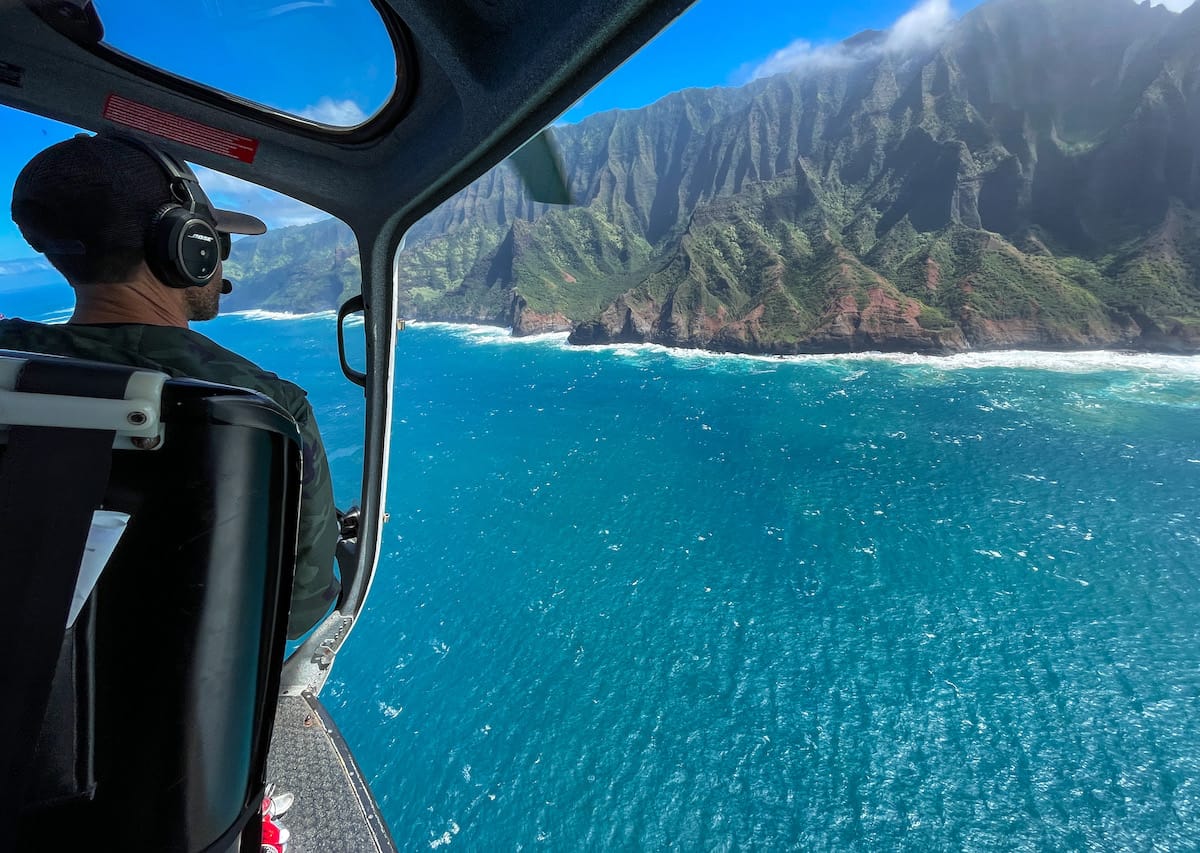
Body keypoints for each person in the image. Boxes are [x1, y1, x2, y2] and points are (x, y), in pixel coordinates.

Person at [0, 133, 339, 638]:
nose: (222, 261)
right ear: (187, 246)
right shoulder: (267, 406)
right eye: (217, 241)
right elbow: (297, 609)